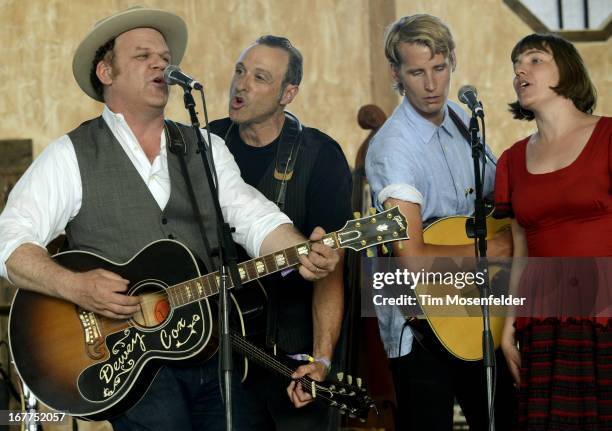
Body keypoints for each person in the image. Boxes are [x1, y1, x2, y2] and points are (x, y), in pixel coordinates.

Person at [0, 7, 339, 431]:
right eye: (143, 56)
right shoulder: (71, 154)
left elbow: (254, 217)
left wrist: (299, 248)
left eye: (164, 57)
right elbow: (9, 243)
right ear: (106, 71)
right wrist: (74, 285)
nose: (161, 64)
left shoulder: (204, 146)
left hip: (215, 353)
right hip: (130, 365)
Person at [365, 14, 515, 430]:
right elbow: (411, 256)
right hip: (421, 325)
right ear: (396, 73)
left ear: (452, 61)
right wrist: (495, 250)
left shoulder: (459, 117)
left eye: (439, 68)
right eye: (416, 72)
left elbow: (497, 194)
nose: (431, 84)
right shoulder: (394, 149)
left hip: (472, 308)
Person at [208, 35, 352, 431]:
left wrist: (321, 359)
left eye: (259, 77)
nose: (241, 84)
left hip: (291, 353)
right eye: (240, 71)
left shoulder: (319, 156)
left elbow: (330, 267)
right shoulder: (205, 146)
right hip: (218, 351)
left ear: (288, 93)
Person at [496, 33, 612, 430]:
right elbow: (521, 249)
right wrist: (509, 324)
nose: (520, 70)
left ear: (567, 70)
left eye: (534, 59)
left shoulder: (609, 137)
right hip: (544, 322)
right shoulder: (511, 160)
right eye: (516, 64)